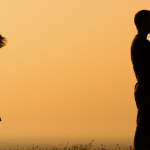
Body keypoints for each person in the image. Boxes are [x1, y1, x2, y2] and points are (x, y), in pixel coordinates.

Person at [131, 10, 150, 150]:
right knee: (144, 127)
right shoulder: (141, 43)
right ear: (143, 23)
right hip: (146, 89)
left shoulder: (142, 42)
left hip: (146, 89)